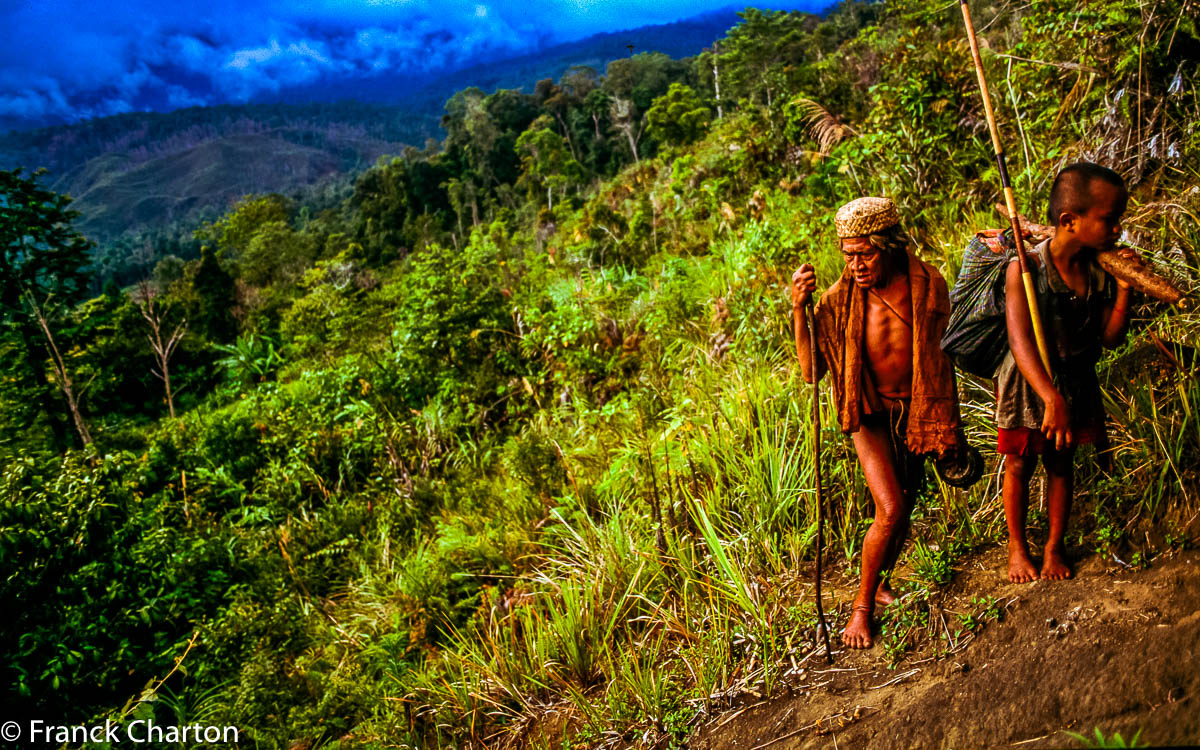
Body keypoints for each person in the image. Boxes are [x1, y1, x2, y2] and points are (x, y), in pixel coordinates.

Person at [792, 196, 965, 649]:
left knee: (905, 502)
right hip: (868, 413)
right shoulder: (837, 301)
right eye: (847, 255)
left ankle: (883, 582)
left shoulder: (927, 285)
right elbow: (812, 372)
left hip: (917, 412)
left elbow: (947, 351)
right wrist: (798, 310)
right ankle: (861, 608)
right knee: (889, 508)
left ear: (888, 246)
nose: (856, 265)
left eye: (865, 253)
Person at [998, 162, 1135, 583]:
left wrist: (1126, 287)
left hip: (1076, 377)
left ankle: (1055, 546)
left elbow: (1110, 339)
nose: (1116, 230)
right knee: (1019, 463)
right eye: (1109, 220)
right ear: (1069, 221)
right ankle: (1017, 547)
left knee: (1062, 462)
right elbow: (1020, 341)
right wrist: (1050, 398)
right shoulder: (1025, 269)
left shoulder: (1099, 271)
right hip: (1029, 383)